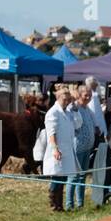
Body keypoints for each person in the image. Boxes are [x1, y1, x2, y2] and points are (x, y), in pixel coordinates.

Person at [42, 83, 78, 212]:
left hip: (67, 148)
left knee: (63, 176)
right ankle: (53, 203)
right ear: (58, 98)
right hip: (57, 148)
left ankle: (59, 205)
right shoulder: (53, 112)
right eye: (65, 99)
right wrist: (55, 148)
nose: (67, 101)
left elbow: (78, 125)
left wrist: (75, 109)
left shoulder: (68, 112)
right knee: (57, 175)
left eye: (68, 99)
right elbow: (51, 132)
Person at [65, 86, 97, 210]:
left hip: (87, 147)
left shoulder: (87, 108)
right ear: (79, 95)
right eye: (85, 95)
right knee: (74, 176)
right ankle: (69, 204)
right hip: (77, 147)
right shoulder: (74, 108)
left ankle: (80, 204)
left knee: (82, 176)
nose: (88, 97)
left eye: (89, 95)